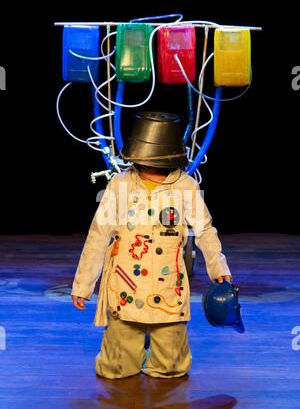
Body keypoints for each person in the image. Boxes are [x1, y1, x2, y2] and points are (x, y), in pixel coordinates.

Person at [71, 111, 232, 379]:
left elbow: (205, 230)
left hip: (167, 288)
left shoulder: (185, 187)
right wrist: (83, 285)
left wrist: (218, 268)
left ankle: (160, 354)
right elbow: (98, 236)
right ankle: (126, 353)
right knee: (116, 369)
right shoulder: (120, 185)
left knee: (172, 368)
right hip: (126, 285)